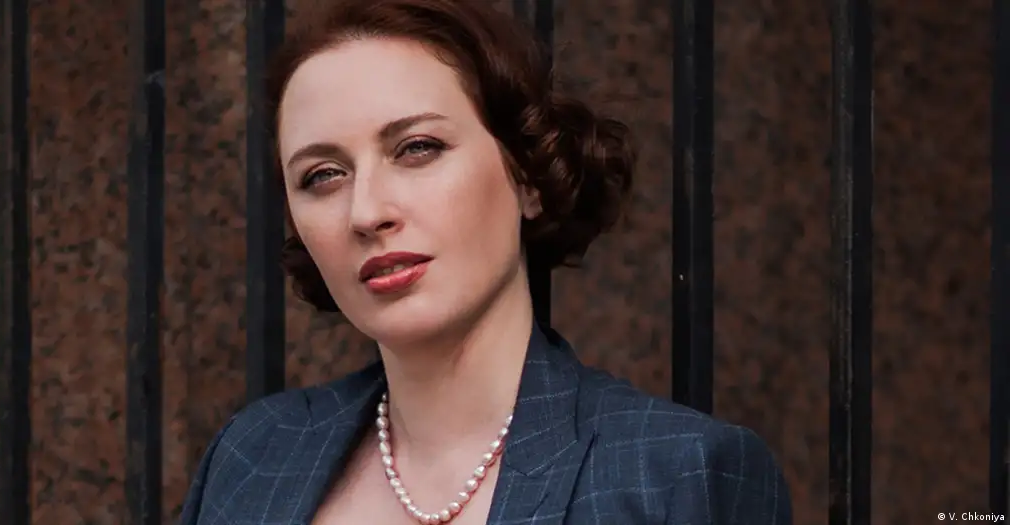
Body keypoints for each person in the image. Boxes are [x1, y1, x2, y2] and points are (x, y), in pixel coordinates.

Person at [180, 0, 792, 523]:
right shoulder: (252, 458)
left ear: (526, 175)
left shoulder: (677, 475)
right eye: (323, 175)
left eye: (417, 148)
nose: (366, 212)